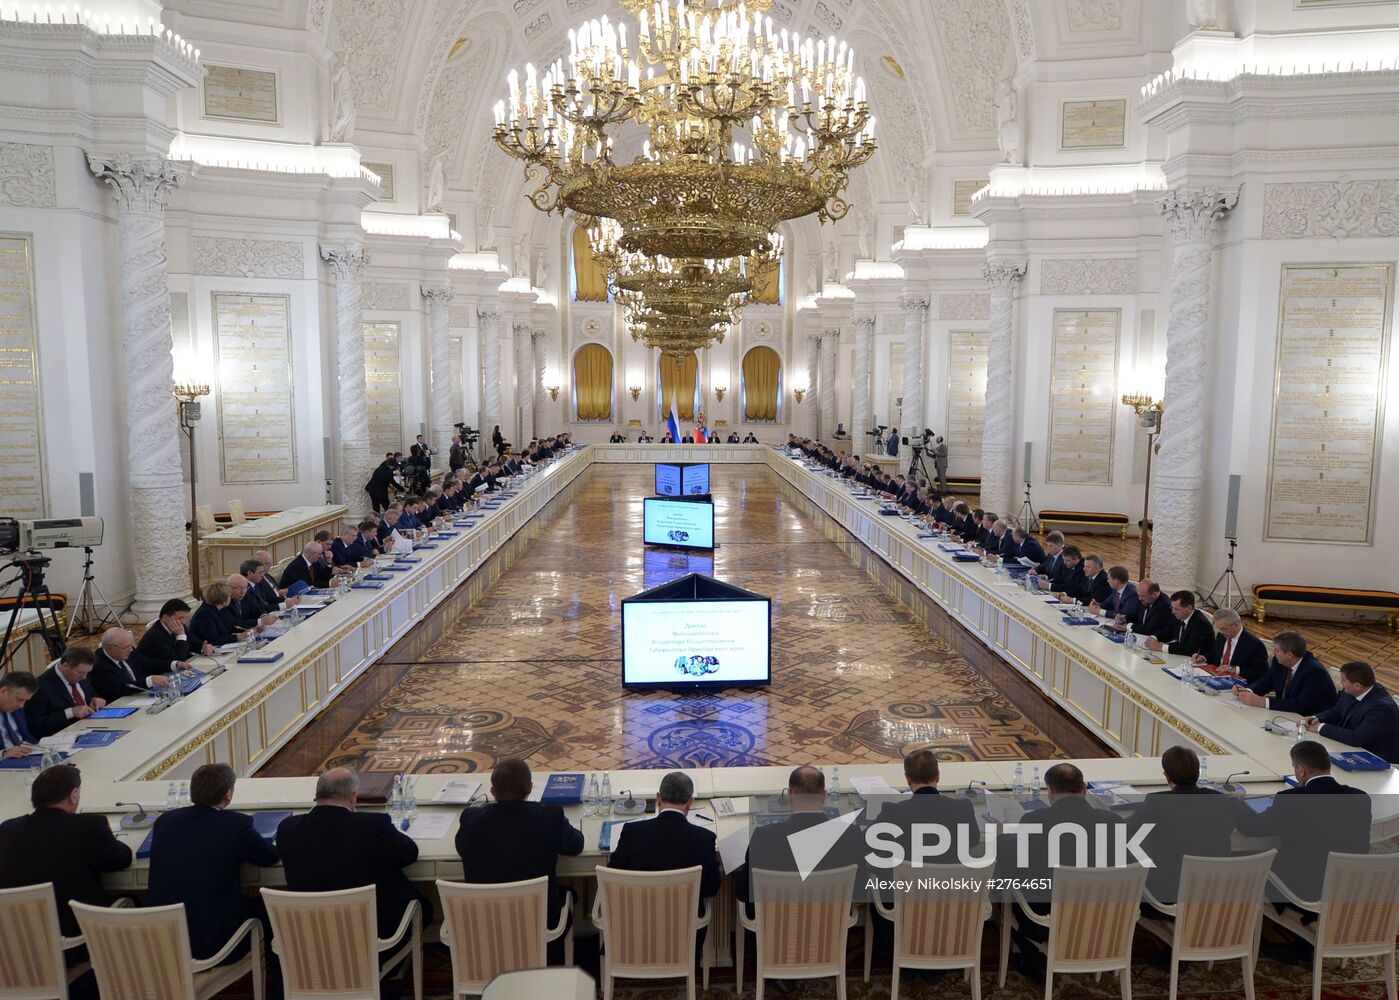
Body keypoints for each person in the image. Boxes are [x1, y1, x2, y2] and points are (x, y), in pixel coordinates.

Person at [998, 763, 1126, 976]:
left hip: (1048, 914)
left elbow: (1013, 861)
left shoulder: (1034, 820)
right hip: (1102, 913)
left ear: (1049, 791)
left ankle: (1032, 959)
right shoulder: (1113, 822)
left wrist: (1001, 836)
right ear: (1085, 788)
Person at [146, 763, 279, 961]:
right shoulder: (235, 825)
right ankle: (277, 988)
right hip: (214, 943)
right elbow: (269, 857)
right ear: (228, 795)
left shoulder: (165, 821)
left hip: (167, 940)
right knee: (272, 908)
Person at [455, 757, 583, 958]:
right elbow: (576, 845)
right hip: (538, 920)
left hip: (485, 921)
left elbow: (462, 848)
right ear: (530, 788)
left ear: (493, 791)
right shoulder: (550, 817)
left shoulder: (471, 819)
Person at [277, 768, 429, 937]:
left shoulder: (287, 828)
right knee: (425, 907)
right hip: (372, 931)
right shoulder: (373, 825)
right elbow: (409, 853)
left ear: (317, 795)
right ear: (352, 797)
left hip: (311, 932)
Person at [0, 764, 132, 935]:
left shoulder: (8, 829)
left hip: (21, 940)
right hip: (78, 938)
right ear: (73, 795)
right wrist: (107, 834)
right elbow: (122, 858)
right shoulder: (89, 826)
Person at [1234, 740, 1370, 902]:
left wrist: (1235, 804)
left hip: (1303, 893)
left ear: (1301, 770)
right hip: (1350, 888)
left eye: (1294, 768)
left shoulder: (1291, 799)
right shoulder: (1360, 797)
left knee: (1247, 868)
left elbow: (1251, 828)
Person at [736, 766, 865, 916]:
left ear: (790, 794)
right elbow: (860, 891)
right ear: (824, 796)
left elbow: (743, 892)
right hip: (830, 931)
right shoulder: (851, 835)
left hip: (775, 930)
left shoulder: (764, 837)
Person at [608, 771, 722, 935]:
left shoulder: (632, 832)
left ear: (658, 798)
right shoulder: (704, 839)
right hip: (685, 935)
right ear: (690, 802)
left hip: (635, 934)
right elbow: (711, 888)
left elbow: (613, 877)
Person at [1129, 747, 1242, 907]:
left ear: (1167, 777)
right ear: (1198, 774)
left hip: (1168, 899)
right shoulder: (1223, 801)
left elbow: (1127, 831)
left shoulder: (1156, 802)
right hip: (1214, 895)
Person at [872, 749, 978, 863]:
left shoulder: (892, 813)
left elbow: (868, 842)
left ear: (908, 778)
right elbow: (974, 840)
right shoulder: (963, 808)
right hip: (952, 880)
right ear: (938, 776)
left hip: (905, 880)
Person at [1304, 661, 1399, 762]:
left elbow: (1356, 738)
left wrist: (1321, 728)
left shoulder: (1381, 709)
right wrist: (1317, 718)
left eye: (1344, 681)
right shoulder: (1353, 690)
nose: (1340, 683)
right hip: (1349, 748)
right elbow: (1337, 711)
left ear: (1357, 685)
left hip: (1376, 759)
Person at [1235, 631, 1337, 715]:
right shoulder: (1279, 661)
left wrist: (1262, 702)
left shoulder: (1314, 672)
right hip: (1285, 713)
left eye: (1277, 650)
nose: (1273, 653)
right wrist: (1248, 691)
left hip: (1310, 719)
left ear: (1289, 654)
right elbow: (1266, 682)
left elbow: (1300, 705)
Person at [26, 647, 105, 739]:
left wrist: (95, 699)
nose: (84, 677)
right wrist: (70, 712)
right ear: (65, 665)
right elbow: (36, 724)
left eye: (87, 672)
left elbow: (91, 692)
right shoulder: (40, 687)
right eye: (80, 673)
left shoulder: (81, 675)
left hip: (92, 728)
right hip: (62, 738)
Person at [89, 626, 172, 703]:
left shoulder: (127, 651)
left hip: (139, 697)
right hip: (120, 704)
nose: (130, 650)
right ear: (111, 648)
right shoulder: (99, 665)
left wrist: (174, 664)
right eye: (126, 647)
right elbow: (122, 688)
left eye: (130, 646)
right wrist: (150, 680)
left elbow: (148, 663)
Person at [1194, 609, 1268, 683]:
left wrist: (1235, 669)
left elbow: (1261, 673)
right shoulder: (1222, 635)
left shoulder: (1254, 644)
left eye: (1223, 629)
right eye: (1218, 628)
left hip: (1237, 686)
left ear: (1236, 624)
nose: (1220, 632)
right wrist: (1203, 657)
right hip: (1215, 679)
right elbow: (1216, 652)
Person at [134, 598, 208, 673]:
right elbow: (178, 661)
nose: (183, 622)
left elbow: (193, 642)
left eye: (184, 618)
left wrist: (203, 648)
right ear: (165, 617)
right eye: (180, 618)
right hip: (158, 674)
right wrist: (181, 636)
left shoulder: (179, 625)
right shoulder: (155, 636)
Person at [1143, 590, 1214, 658]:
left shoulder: (1200, 624)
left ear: (1189, 607)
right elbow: (1166, 631)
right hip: (1178, 656)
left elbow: (1189, 650)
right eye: (1172, 608)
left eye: (1177, 609)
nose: (1173, 612)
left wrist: (1160, 647)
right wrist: (1153, 638)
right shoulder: (1179, 615)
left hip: (1194, 662)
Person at [187, 581, 249, 650]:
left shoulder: (220, 609)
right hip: (203, 652)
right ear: (223, 597)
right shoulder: (205, 613)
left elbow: (230, 627)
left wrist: (246, 632)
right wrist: (238, 637)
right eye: (229, 596)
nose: (230, 598)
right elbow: (213, 639)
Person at [0, 671, 38, 759]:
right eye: (20, 700)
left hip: (23, 757)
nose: (21, 706)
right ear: (3, 691)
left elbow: (26, 736)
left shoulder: (14, 708)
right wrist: (3, 754)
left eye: (25, 701)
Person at [1133, 578, 1175, 644]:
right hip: (1141, 637)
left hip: (1158, 642)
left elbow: (1149, 630)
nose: (1139, 598)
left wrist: (1129, 626)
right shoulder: (1146, 599)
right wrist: (1125, 618)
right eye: (1139, 595)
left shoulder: (1164, 606)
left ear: (1154, 594)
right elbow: (1135, 614)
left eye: (1142, 596)